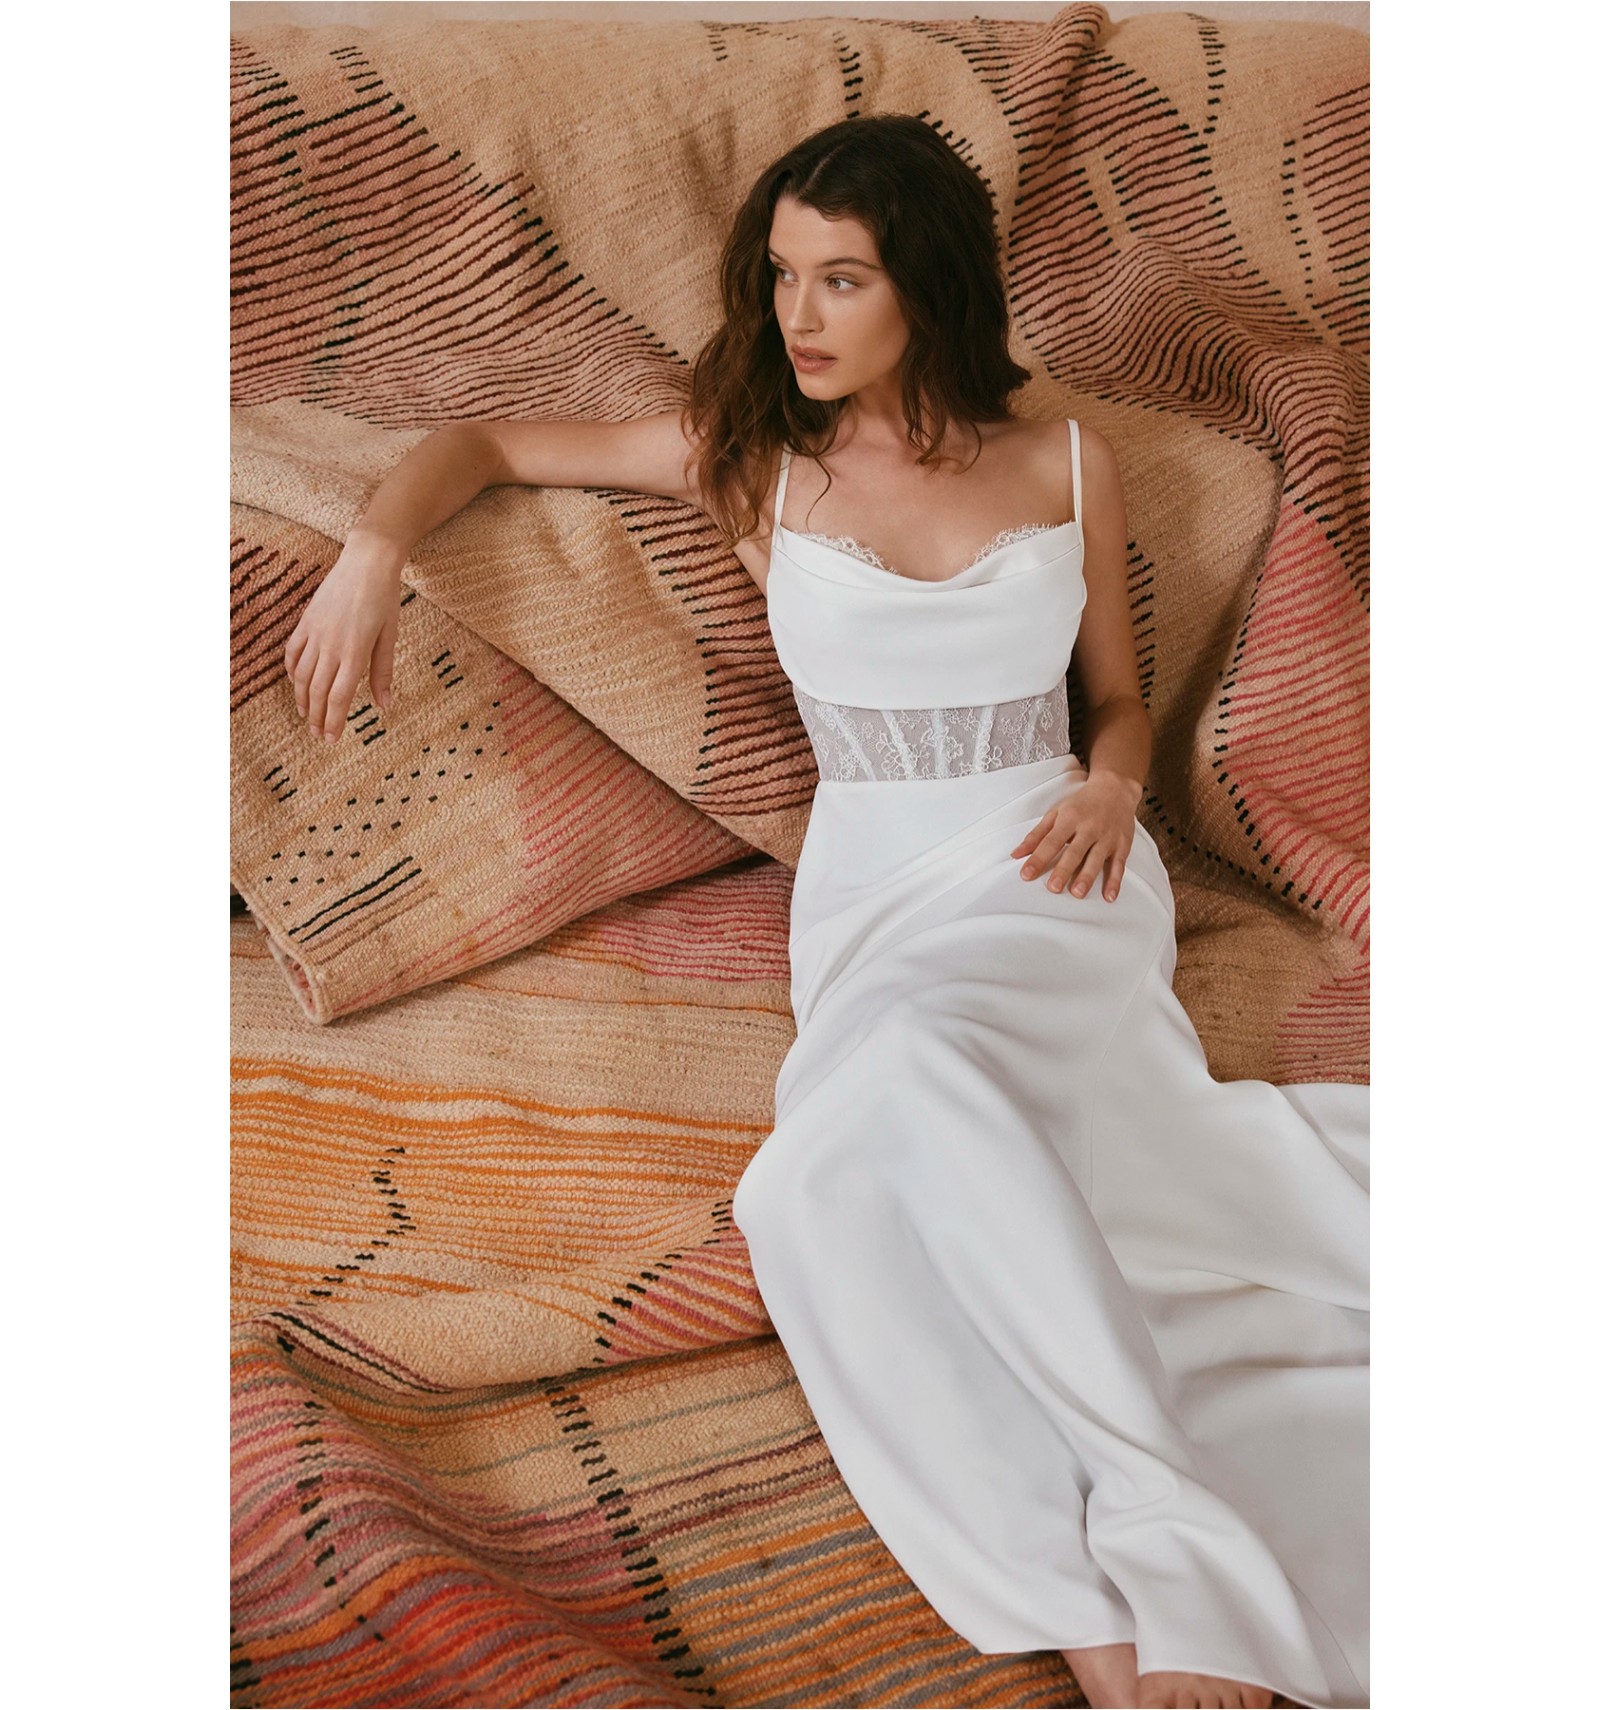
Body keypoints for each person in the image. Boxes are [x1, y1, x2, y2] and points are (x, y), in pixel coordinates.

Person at [283, 115, 1370, 1710]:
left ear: (928, 285)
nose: (798, 313)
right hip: (877, 895)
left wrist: (1113, 788)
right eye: (783, 274)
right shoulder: (754, 457)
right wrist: (373, 552)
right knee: (815, 1193)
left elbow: (1121, 704)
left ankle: (1177, 1549)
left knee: (900, 1106)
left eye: (841, 278)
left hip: (1052, 868)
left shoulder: (1069, 461)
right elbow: (491, 445)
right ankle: (1095, 1620)